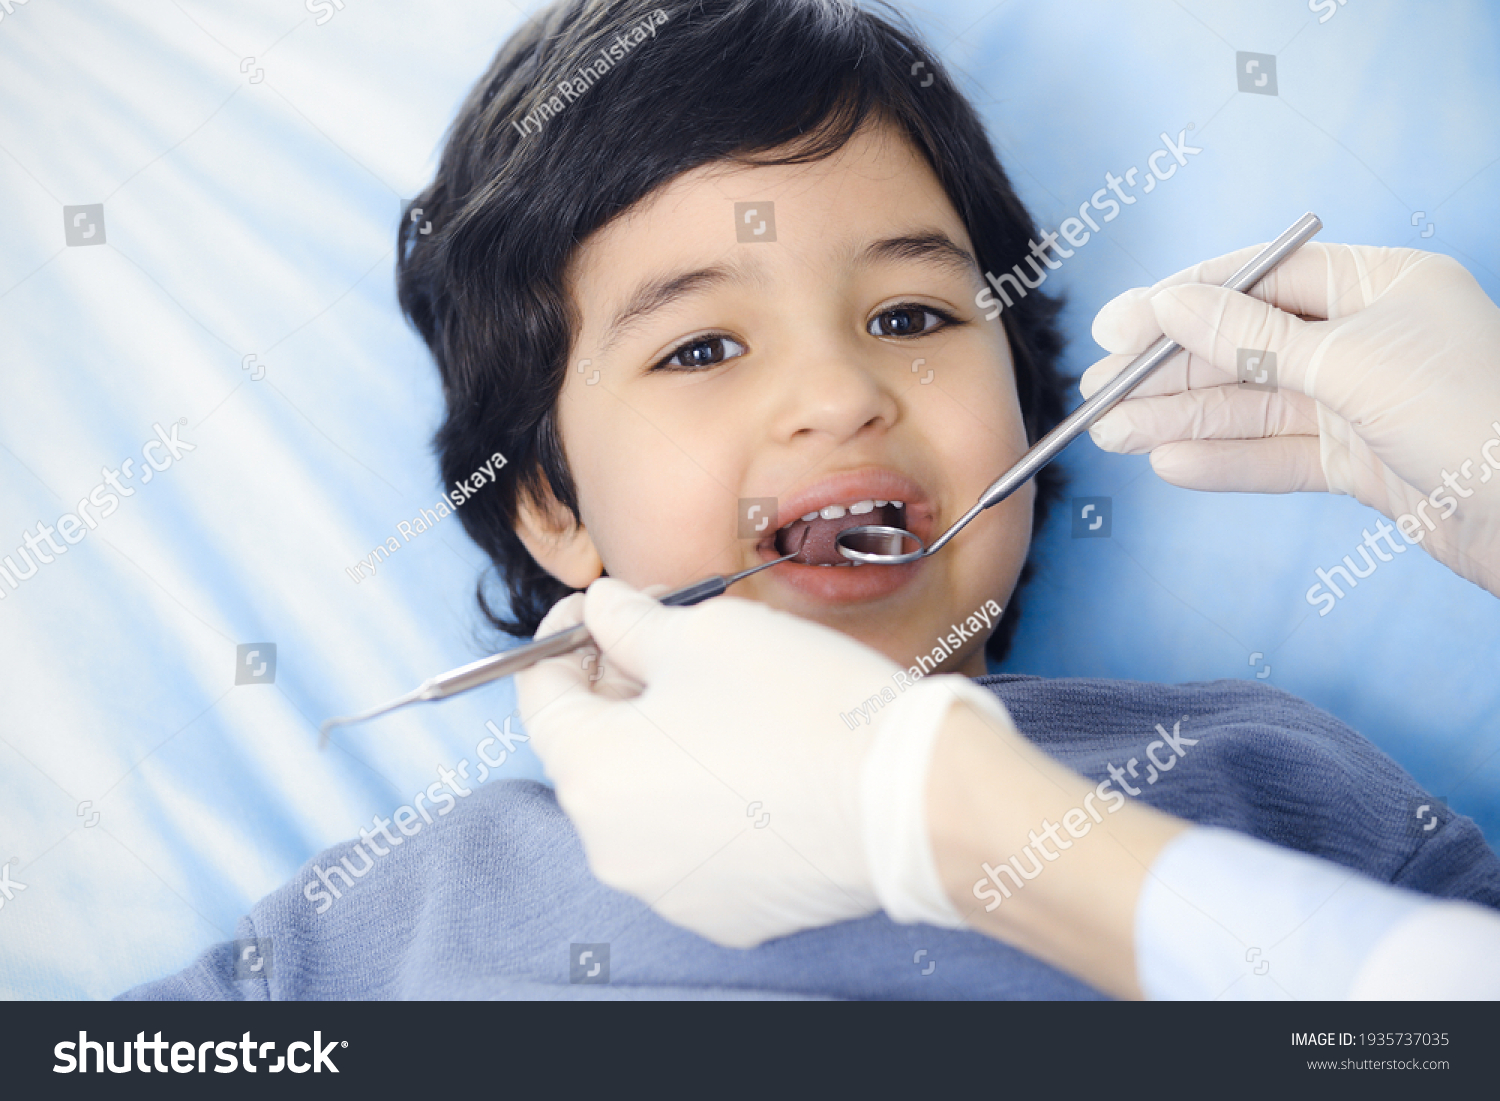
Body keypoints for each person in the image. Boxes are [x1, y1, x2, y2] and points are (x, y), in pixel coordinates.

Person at [123, 0, 1500, 1000]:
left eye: (908, 312)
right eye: (702, 347)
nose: (840, 392)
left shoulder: (1265, 774)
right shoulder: (378, 919)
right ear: (551, 502)